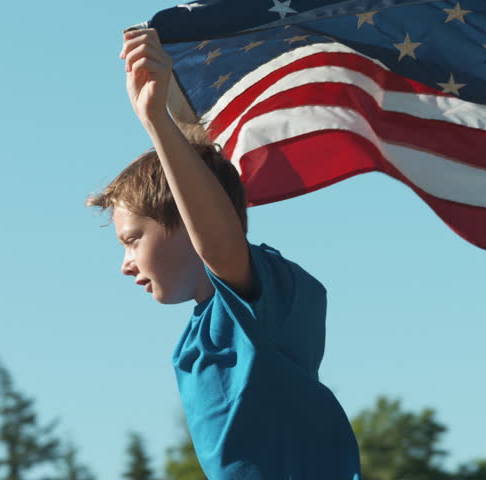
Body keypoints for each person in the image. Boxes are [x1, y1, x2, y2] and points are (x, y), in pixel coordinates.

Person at [85, 28, 362, 479]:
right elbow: (205, 178)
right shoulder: (217, 315)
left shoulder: (251, 299)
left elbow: (214, 235)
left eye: (133, 239)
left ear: (187, 225)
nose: (126, 263)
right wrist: (173, 89)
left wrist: (156, 119)